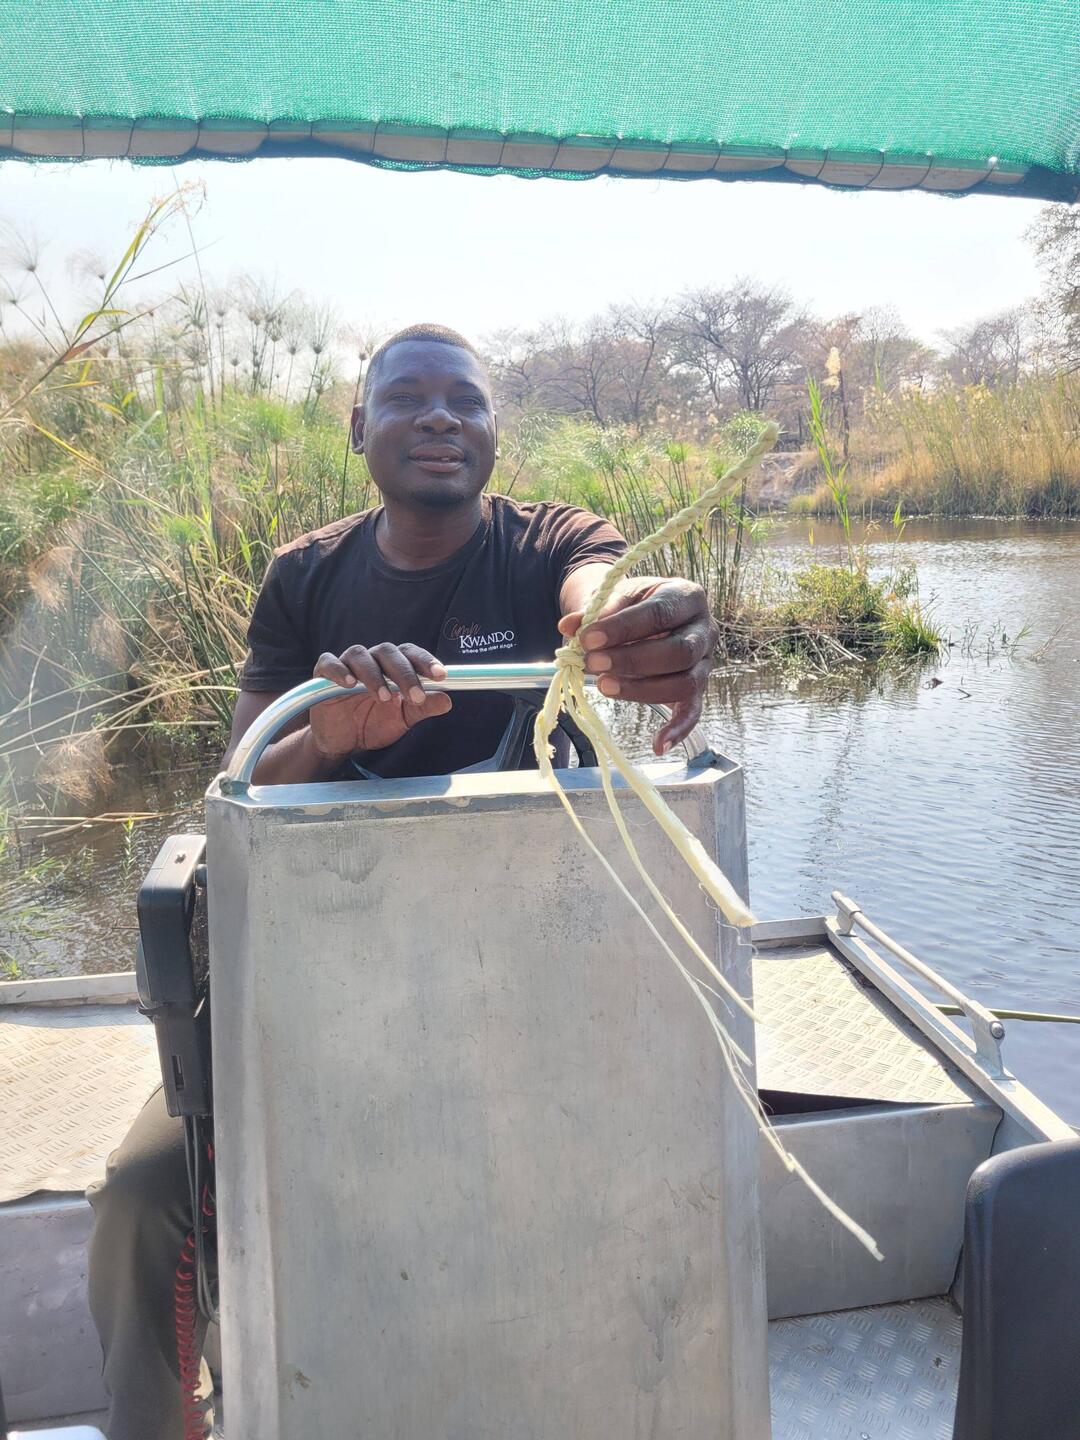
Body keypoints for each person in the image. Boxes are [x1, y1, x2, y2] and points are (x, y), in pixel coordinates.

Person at [87, 323, 719, 1440]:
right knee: (142, 1198)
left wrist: (641, 617)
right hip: (320, 964)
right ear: (358, 430)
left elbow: (604, 583)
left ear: (492, 435)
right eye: (410, 398)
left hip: (520, 957)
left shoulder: (543, 546)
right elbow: (242, 785)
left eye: (466, 402)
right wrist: (331, 732)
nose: (441, 418)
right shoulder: (305, 577)